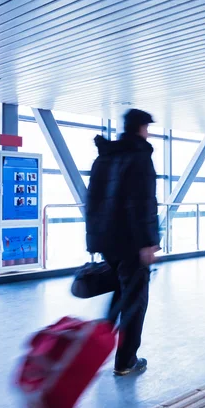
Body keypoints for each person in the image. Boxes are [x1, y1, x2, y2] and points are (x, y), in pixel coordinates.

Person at [85, 109, 160, 376]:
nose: (148, 132)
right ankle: (126, 360)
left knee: (120, 295)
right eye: (147, 127)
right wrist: (149, 243)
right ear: (140, 128)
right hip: (131, 243)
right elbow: (142, 203)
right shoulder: (140, 158)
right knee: (135, 301)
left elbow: (92, 200)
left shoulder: (103, 158)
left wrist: (94, 241)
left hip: (108, 242)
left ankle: (92, 351)